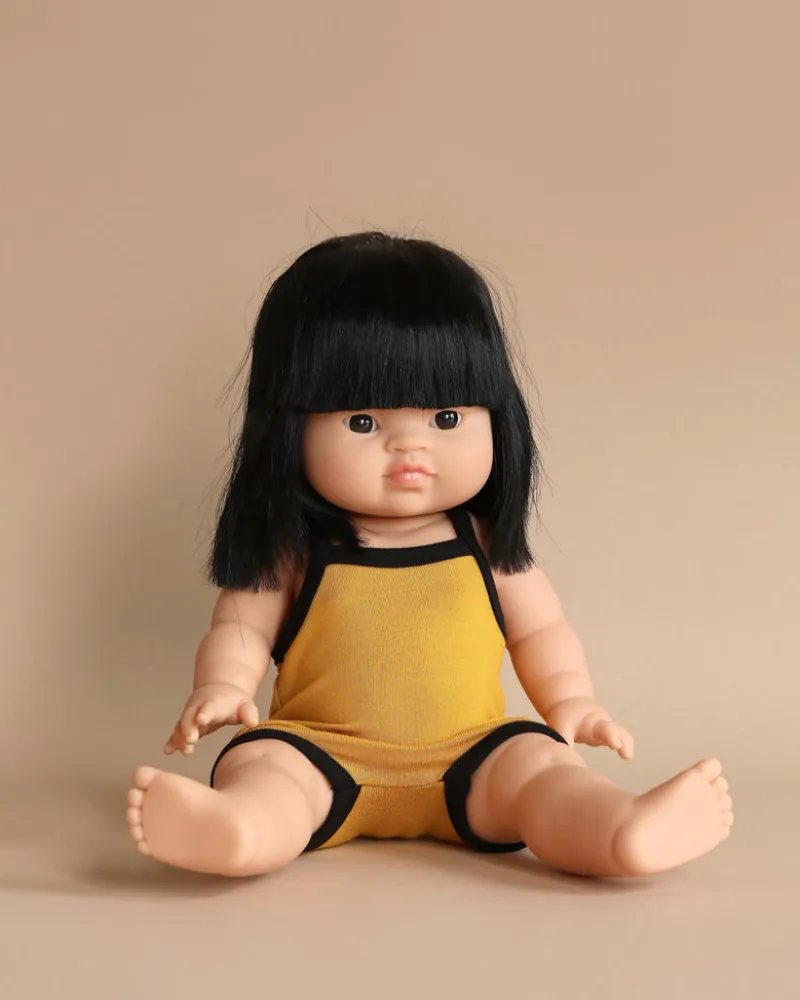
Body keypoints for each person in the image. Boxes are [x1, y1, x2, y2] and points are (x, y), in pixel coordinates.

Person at [126, 231, 733, 877]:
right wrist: (222, 688)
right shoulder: (296, 551)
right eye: (363, 422)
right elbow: (239, 629)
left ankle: (620, 830)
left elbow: (541, 631)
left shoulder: (486, 545)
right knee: (265, 767)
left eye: (446, 419)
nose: (410, 447)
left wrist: (572, 703)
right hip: (322, 753)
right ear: (288, 428)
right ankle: (238, 833)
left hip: (473, 755)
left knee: (544, 769)